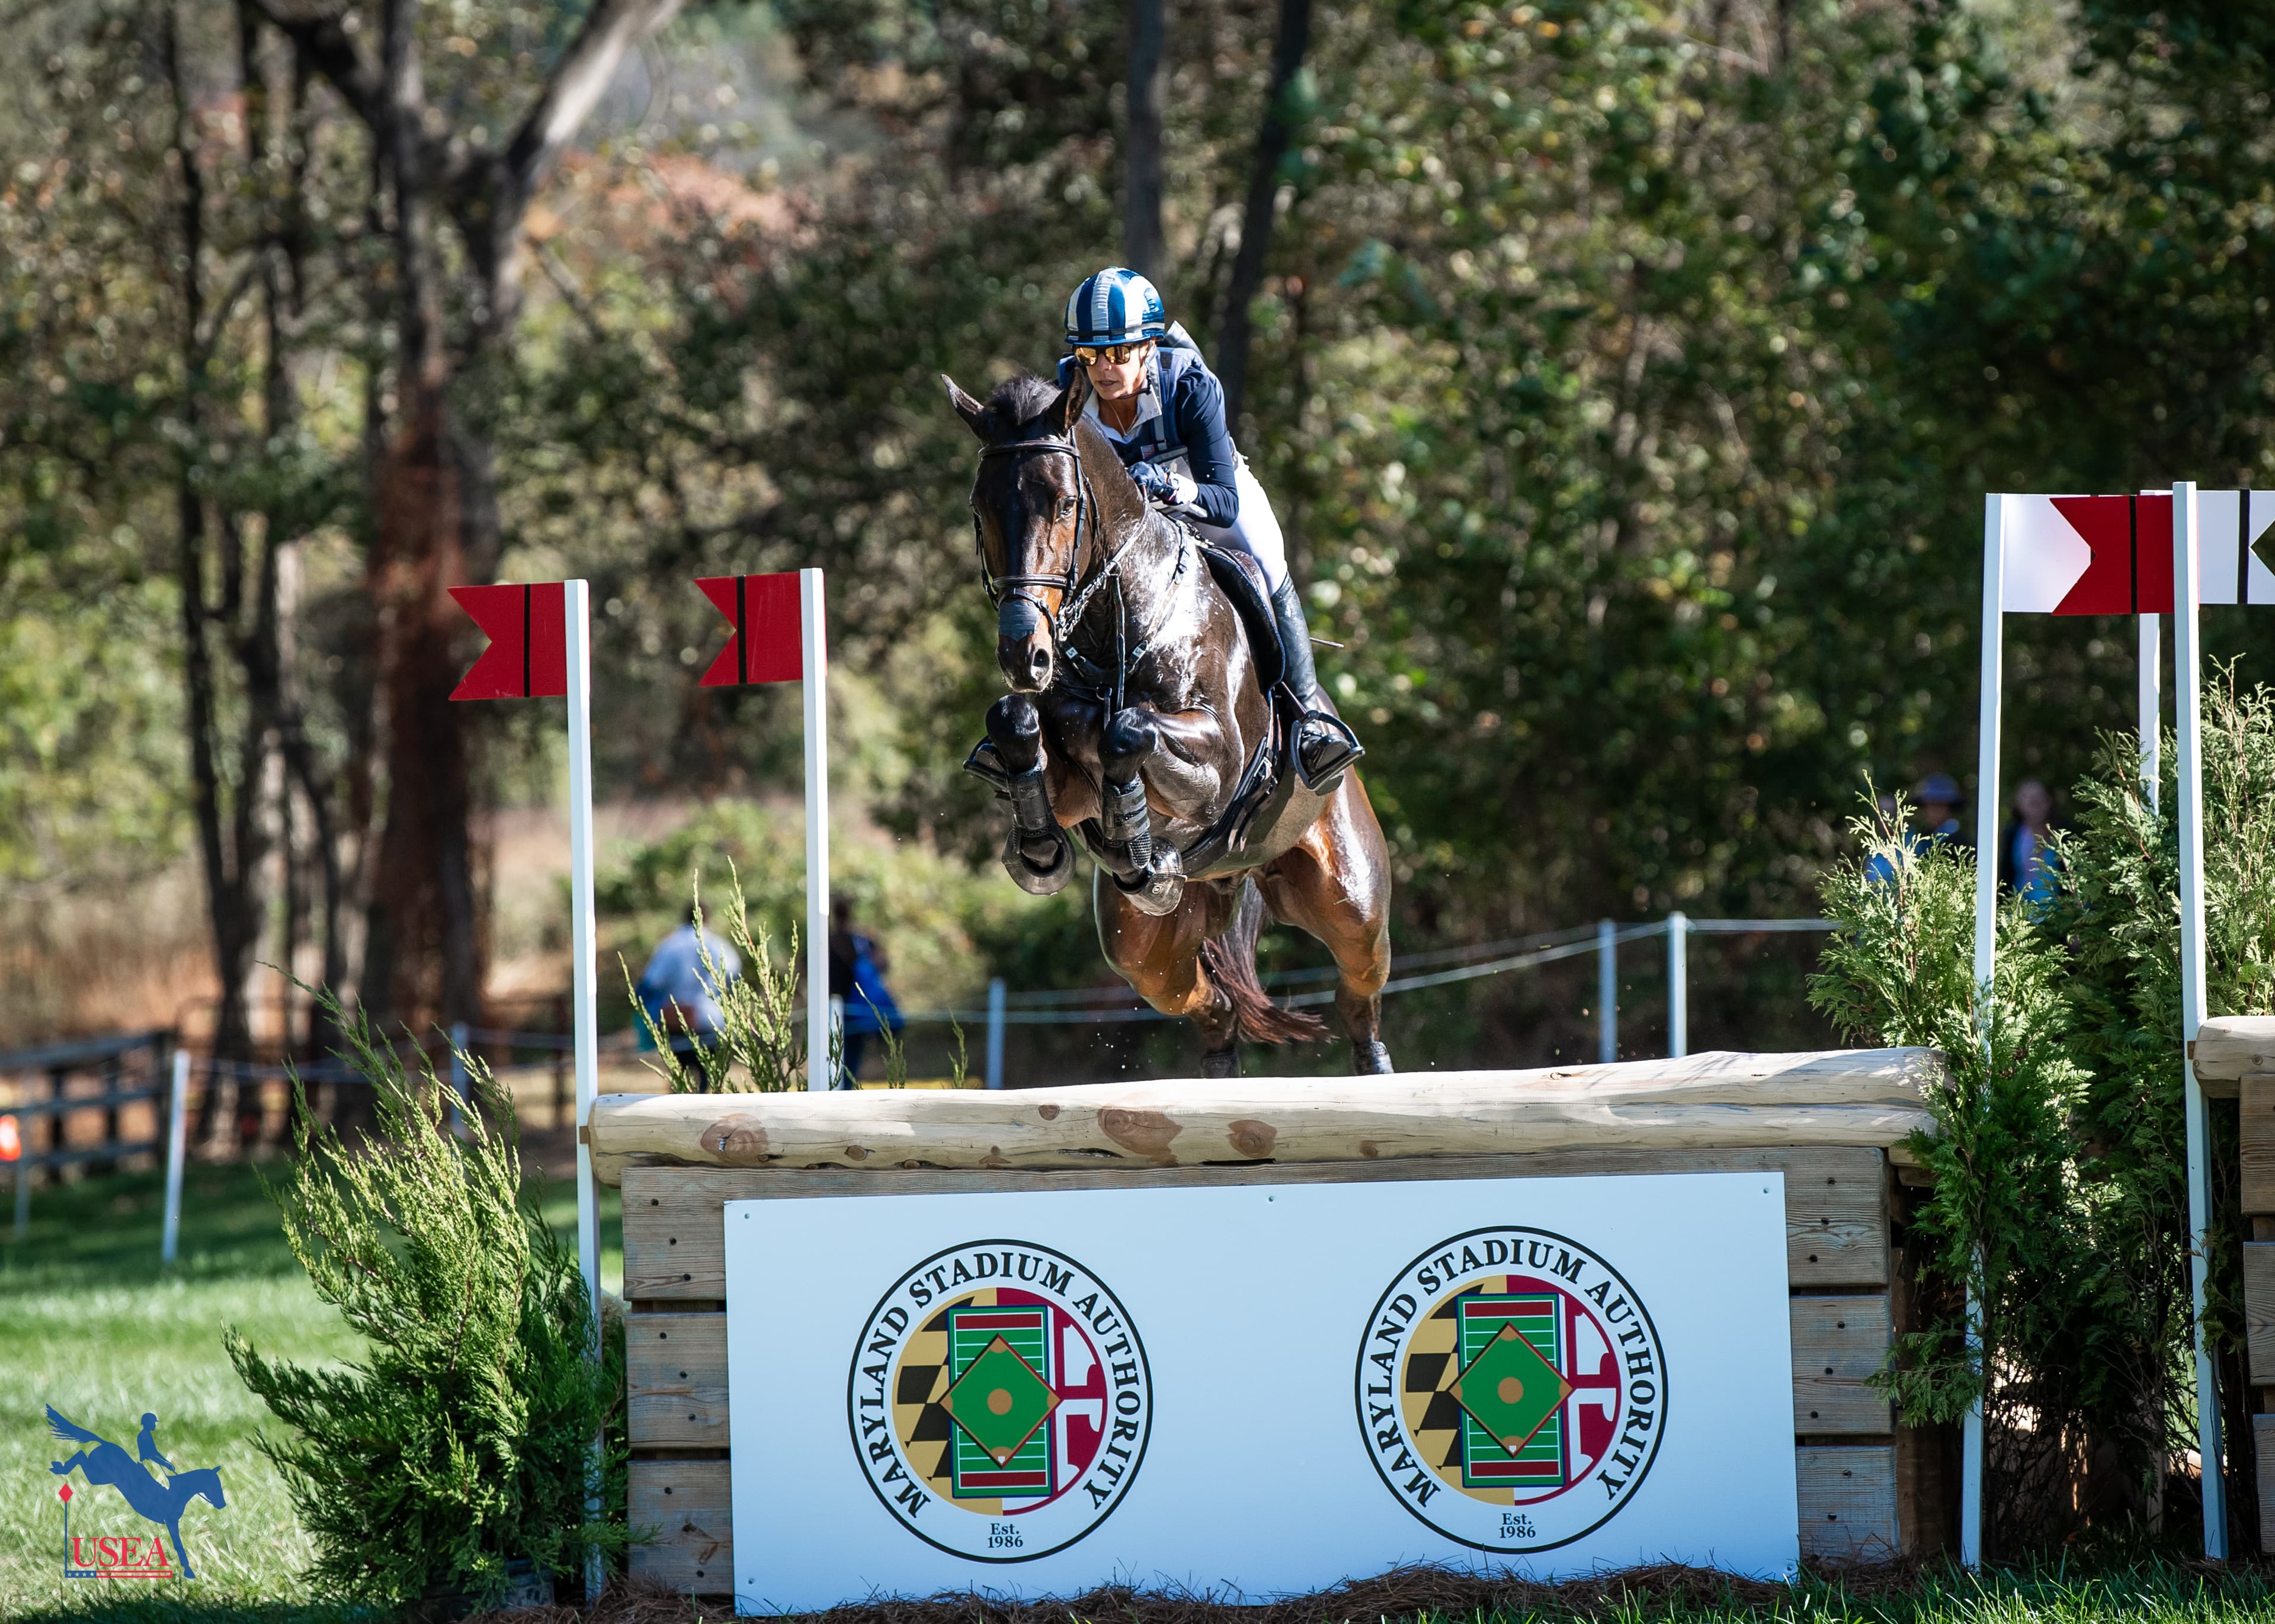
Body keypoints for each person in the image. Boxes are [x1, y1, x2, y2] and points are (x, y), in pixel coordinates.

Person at [1057, 267, 1363, 791]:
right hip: (1132, 529)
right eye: (1090, 355)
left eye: (1118, 353)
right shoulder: (1070, 390)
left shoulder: (1191, 386)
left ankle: (1310, 720)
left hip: (1204, 498)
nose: (1103, 369)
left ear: (1149, 347)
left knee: (1266, 560)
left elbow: (1222, 504)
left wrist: (1170, 489)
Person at [634, 919, 741, 1058]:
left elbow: (652, 982)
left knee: (681, 1071)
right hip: (711, 1018)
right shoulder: (719, 945)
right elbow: (734, 976)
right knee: (709, 1070)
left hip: (677, 1018)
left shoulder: (670, 946)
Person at [829, 899, 903, 1089]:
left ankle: (841, 1091)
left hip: (839, 1008)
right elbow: (884, 964)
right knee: (849, 1058)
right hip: (854, 1010)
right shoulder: (862, 940)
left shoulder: (827, 940)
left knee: (837, 1058)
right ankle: (844, 1090)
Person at [1998, 778, 2060, 904]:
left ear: (2049, 801)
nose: (2034, 802)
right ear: (2018, 804)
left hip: (2059, 916)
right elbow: (2006, 877)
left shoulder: (2063, 834)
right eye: (2028, 798)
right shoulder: (2012, 835)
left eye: (2039, 798)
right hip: (2019, 913)